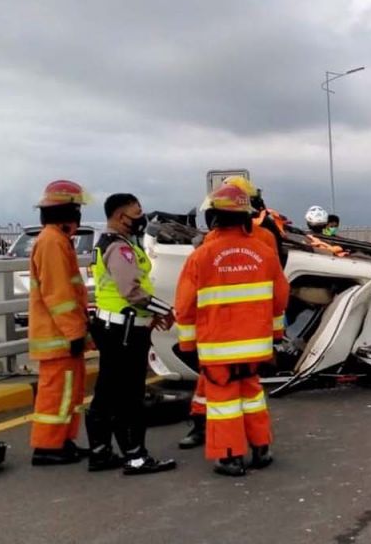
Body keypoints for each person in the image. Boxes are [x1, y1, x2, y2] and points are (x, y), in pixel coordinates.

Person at [174, 184, 290, 477]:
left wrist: (188, 345)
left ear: (213, 217)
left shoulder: (201, 256)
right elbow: (280, 300)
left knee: (223, 403)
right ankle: (261, 449)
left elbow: (185, 306)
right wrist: (274, 337)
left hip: (218, 347)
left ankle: (230, 457)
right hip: (255, 347)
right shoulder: (264, 252)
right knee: (252, 396)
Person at [86, 194, 177, 475]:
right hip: (123, 331)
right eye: (136, 213)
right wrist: (164, 310)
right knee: (130, 395)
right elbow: (132, 291)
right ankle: (136, 456)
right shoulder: (119, 248)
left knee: (107, 392)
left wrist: (150, 316)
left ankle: (100, 452)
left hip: (114, 326)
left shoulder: (111, 243)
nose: (141, 218)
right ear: (119, 216)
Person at [28, 180, 92, 466]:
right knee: (57, 393)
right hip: (59, 336)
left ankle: (62, 441)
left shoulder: (56, 239)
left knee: (68, 392)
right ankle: (48, 447)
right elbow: (59, 294)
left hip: (61, 336)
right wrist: (75, 331)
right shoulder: (52, 242)